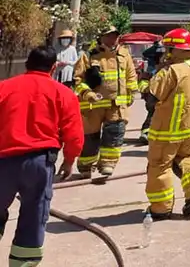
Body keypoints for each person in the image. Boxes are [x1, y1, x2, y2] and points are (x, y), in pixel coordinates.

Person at [0, 45, 84, 267]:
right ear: (54, 66)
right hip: (39, 163)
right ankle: (23, 264)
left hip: (3, 161)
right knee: (34, 214)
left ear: (27, 63)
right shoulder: (63, 93)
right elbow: (74, 133)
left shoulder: (4, 87)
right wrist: (69, 160)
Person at [145, 28, 190, 220]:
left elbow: (152, 99)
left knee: (159, 166)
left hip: (166, 133)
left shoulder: (169, 72)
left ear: (175, 50)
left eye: (169, 49)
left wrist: (148, 80)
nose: (166, 53)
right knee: (188, 158)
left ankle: (161, 208)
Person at [73, 25, 139, 180]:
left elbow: (131, 76)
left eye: (115, 36)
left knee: (114, 135)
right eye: (109, 36)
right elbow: (78, 80)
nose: (112, 39)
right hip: (92, 107)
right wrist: (87, 93)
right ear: (101, 38)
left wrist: (131, 94)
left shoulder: (124, 54)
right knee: (89, 138)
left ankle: (107, 164)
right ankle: (86, 165)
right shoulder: (89, 55)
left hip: (116, 106)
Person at [138, 40, 167, 145]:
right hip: (153, 96)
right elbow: (143, 82)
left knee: (155, 114)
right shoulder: (152, 70)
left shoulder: (167, 69)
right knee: (153, 113)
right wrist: (147, 90)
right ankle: (146, 133)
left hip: (159, 97)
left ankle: (149, 133)